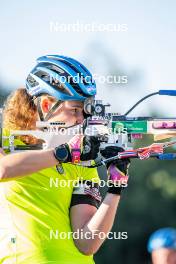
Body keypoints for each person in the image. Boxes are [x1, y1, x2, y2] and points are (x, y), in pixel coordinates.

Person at [0, 55, 130, 264]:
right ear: (45, 105)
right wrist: (63, 154)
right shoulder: (7, 143)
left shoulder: (82, 160)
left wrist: (116, 187)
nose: (81, 120)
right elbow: (3, 170)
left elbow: (87, 243)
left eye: (84, 112)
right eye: (75, 110)